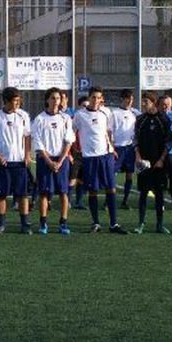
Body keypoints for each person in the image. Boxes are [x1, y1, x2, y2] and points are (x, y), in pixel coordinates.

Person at [72, 86, 125, 234]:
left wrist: (112, 147)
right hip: (89, 158)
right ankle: (96, 223)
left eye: (99, 98)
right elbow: (71, 132)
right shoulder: (80, 115)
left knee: (111, 188)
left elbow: (109, 131)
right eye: (93, 97)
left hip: (106, 156)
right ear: (89, 98)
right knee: (93, 191)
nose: (96, 100)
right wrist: (75, 150)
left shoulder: (106, 112)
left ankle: (114, 224)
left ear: (102, 99)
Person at [0, 87, 33, 235]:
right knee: (1, 195)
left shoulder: (23, 116)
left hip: (20, 162)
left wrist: (27, 154)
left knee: (22, 195)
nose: (17, 103)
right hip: (3, 163)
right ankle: (1, 223)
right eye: (15, 101)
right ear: (6, 101)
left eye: (19, 100)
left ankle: (25, 224)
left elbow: (27, 136)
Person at [31, 87, 75, 235]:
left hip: (61, 160)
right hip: (45, 160)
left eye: (58, 98)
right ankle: (43, 223)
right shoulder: (39, 119)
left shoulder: (66, 118)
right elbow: (38, 142)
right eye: (53, 98)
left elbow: (69, 141)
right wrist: (49, 161)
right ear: (47, 100)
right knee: (44, 193)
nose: (56, 101)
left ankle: (63, 223)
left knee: (63, 193)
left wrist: (60, 161)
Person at [133, 91, 172, 234]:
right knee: (143, 193)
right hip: (144, 162)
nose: (143, 104)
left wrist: (161, 159)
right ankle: (141, 223)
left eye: (146, 101)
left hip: (159, 163)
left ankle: (159, 224)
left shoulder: (164, 119)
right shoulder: (140, 119)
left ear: (153, 102)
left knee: (160, 194)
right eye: (143, 101)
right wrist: (138, 156)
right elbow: (135, 138)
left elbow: (169, 141)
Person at [110, 89, 139, 209]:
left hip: (130, 148)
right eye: (128, 99)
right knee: (113, 174)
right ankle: (109, 201)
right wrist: (112, 147)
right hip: (118, 148)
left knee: (129, 174)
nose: (130, 101)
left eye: (131, 99)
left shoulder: (135, 113)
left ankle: (125, 201)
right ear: (122, 99)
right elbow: (109, 131)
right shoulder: (114, 113)